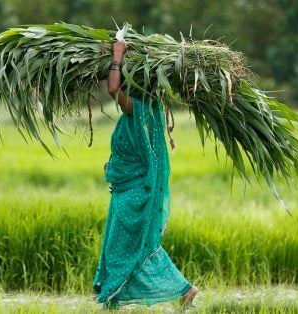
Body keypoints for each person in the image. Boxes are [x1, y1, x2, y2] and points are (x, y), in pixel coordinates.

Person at [92, 40, 199, 309]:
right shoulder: (150, 110)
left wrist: (117, 54)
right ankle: (112, 298)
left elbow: (112, 87)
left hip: (134, 193)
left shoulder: (139, 109)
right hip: (128, 190)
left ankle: (183, 288)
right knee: (127, 246)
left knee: (128, 248)